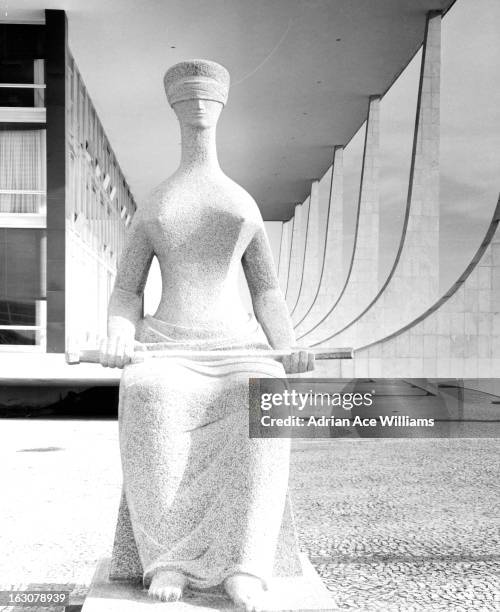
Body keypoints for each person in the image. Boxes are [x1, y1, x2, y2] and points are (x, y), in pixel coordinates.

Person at [100, 59, 314, 612]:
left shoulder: (241, 202)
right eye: (188, 100)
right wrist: (119, 333)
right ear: (175, 108)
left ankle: (247, 562)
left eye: (207, 100)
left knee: (264, 397)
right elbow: (128, 291)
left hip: (237, 345)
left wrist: (285, 345)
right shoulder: (157, 202)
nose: (198, 109)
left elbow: (266, 291)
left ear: (220, 108)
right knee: (149, 393)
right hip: (168, 343)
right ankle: (166, 555)